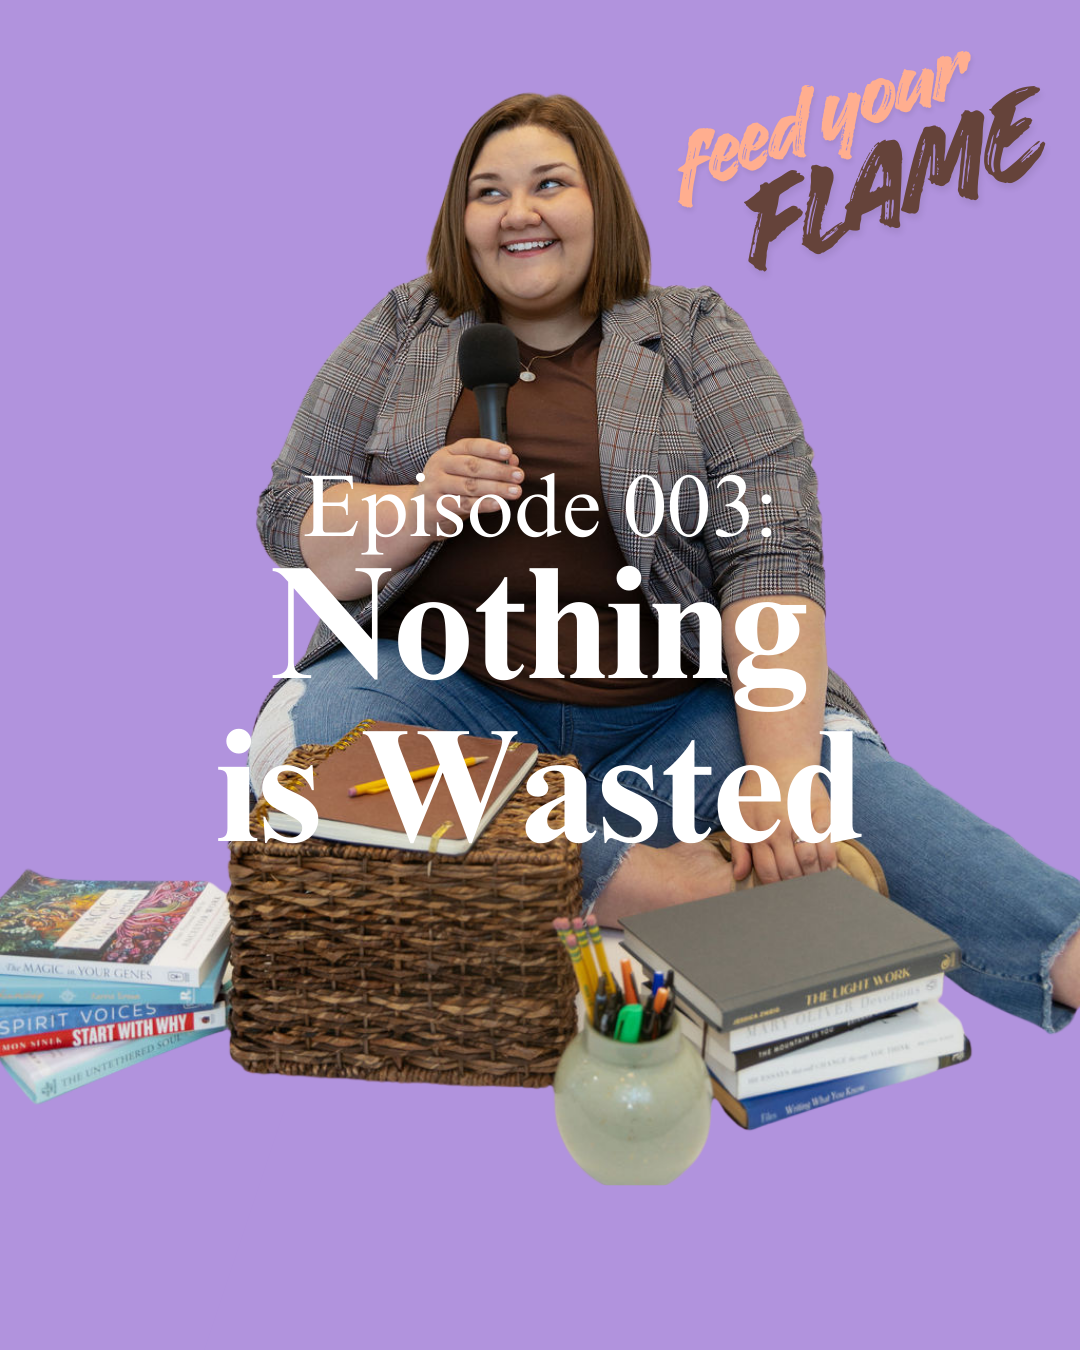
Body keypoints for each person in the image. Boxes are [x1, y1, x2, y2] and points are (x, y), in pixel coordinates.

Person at [253, 93, 1080, 1032]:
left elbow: (772, 551)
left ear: (599, 201)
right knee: (307, 756)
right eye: (488, 193)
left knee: (835, 779)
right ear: (462, 222)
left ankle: (1067, 954)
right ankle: (639, 882)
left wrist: (775, 779)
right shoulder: (407, 327)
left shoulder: (693, 332)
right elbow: (291, 521)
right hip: (447, 703)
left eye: (547, 184)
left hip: (668, 723)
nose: (517, 211)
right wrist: (420, 507)